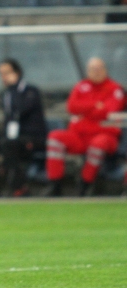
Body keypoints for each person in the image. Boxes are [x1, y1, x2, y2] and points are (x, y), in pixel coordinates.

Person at [46, 57, 126, 196]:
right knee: (55, 137)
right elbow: (71, 107)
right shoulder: (81, 86)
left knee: (98, 144)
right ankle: (56, 184)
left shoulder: (115, 89)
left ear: (105, 70)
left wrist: (84, 111)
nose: (96, 72)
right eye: (92, 69)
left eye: (99, 68)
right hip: (80, 135)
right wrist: (95, 105)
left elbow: (108, 110)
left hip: (106, 136)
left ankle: (84, 185)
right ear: (87, 71)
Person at [0, 59, 47, 197]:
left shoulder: (30, 91)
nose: (3, 77)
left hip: (32, 137)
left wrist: (14, 87)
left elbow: (20, 111)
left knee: (8, 144)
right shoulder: (7, 93)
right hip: (12, 137)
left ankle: (19, 186)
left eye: (7, 73)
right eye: (1, 74)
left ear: (17, 73)